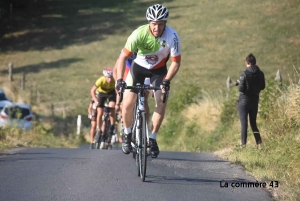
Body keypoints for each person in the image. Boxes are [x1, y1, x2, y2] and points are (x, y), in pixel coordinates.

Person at [115, 4, 181, 157]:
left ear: (165, 23)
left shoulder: (172, 36)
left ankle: (152, 138)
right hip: (138, 69)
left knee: (162, 100)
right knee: (128, 102)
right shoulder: (138, 33)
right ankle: (127, 133)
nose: (156, 27)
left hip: (158, 72)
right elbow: (123, 57)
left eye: (160, 24)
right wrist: (119, 80)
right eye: (153, 24)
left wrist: (167, 81)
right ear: (149, 23)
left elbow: (176, 62)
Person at [236, 53, 265, 148]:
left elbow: (241, 89)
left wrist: (240, 82)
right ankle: (259, 143)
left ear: (247, 62)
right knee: (253, 123)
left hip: (244, 101)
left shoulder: (244, 74)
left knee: (244, 124)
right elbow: (263, 87)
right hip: (254, 101)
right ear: (255, 62)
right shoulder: (260, 74)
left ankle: (243, 145)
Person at [90, 68, 116, 145]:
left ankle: (112, 126)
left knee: (112, 107)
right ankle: (99, 128)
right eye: (108, 77)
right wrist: (95, 100)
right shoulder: (100, 80)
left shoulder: (114, 80)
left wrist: (117, 102)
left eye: (111, 77)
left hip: (111, 93)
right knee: (100, 112)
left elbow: (118, 91)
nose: (110, 79)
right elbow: (92, 90)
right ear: (105, 77)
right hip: (102, 93)